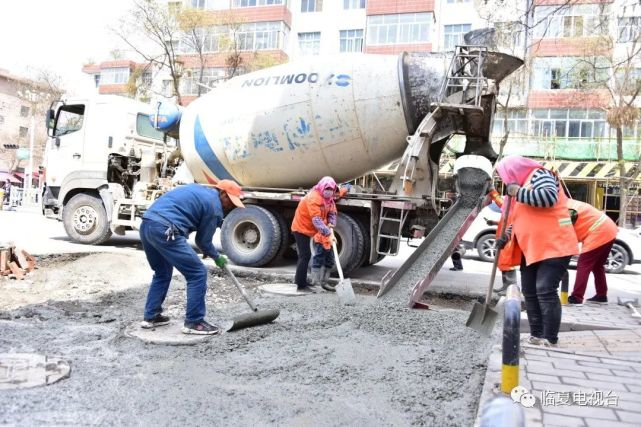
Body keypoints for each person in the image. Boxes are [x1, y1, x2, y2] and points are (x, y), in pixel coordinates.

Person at [140, 180, 245, 335]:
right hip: (166, 229)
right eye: (230, 200)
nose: (231, 205)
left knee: (162, 273)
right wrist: (217, 257)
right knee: (197, 273)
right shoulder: (215, 207)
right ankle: (194, 322)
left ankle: (151, 316)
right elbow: (203, 241)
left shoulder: (199, 190)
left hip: (147, 224)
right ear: (222, 193)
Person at [495, 156, 578, 347]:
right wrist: (505, 237)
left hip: (554, 246)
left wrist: (518, 192)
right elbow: (520, 220)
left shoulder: (540, 174)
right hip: (532, 248)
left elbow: (548, 197)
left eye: (505, 175)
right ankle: (536, 335)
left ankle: (550, 338)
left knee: (545, 291)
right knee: (530, 292)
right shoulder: (523, 187)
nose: (506, 180)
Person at [291, 176, 338, 292]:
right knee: (305, 255)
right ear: (322, 187)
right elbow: (316, 219)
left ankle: (313, 281)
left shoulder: (329, 198)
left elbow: (332, 212)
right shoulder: (313, 197)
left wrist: (331, 223)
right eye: (327, 189)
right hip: (301, 227)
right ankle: (301, 284)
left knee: (318, 255)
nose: (329, 191)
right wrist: (328, 234)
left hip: (313, 229)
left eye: (331, 189)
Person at [566, 199, 618, 305]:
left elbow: (565, 230)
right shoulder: (570, 203)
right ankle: (601, 295)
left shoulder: (566, 209)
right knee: (598, 265)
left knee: (583, 265)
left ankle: (576, 297)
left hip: (599, 232)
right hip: (609, 229)